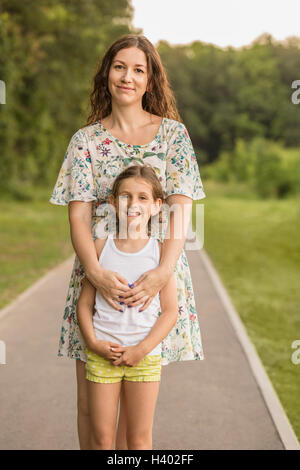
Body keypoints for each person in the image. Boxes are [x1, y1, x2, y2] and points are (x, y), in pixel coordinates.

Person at [49, 34, 206, 450]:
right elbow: (79, 215)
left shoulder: (173, 136)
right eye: (120, 67)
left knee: (136, 415)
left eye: (139, 69)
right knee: (91, 405)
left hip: (156, 275)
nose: (128, 77)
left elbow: (180, 210)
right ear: (106, 75)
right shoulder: (85, 141)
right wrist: (97, 274)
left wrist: (161, 273)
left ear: (151, 80)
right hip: (100, 273)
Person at [76, 164, 178, 450]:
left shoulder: (159, 254)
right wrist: (94, 343)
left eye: (143, 198)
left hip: (144, 358)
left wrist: (141, 349)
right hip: (102, 356)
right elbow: (84, 305)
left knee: (139, 439)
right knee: (101, 439)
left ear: (158, 206)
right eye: (125, 196)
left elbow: (170, 311)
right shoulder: (100, 248)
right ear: (112, 203)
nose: (133, 204)